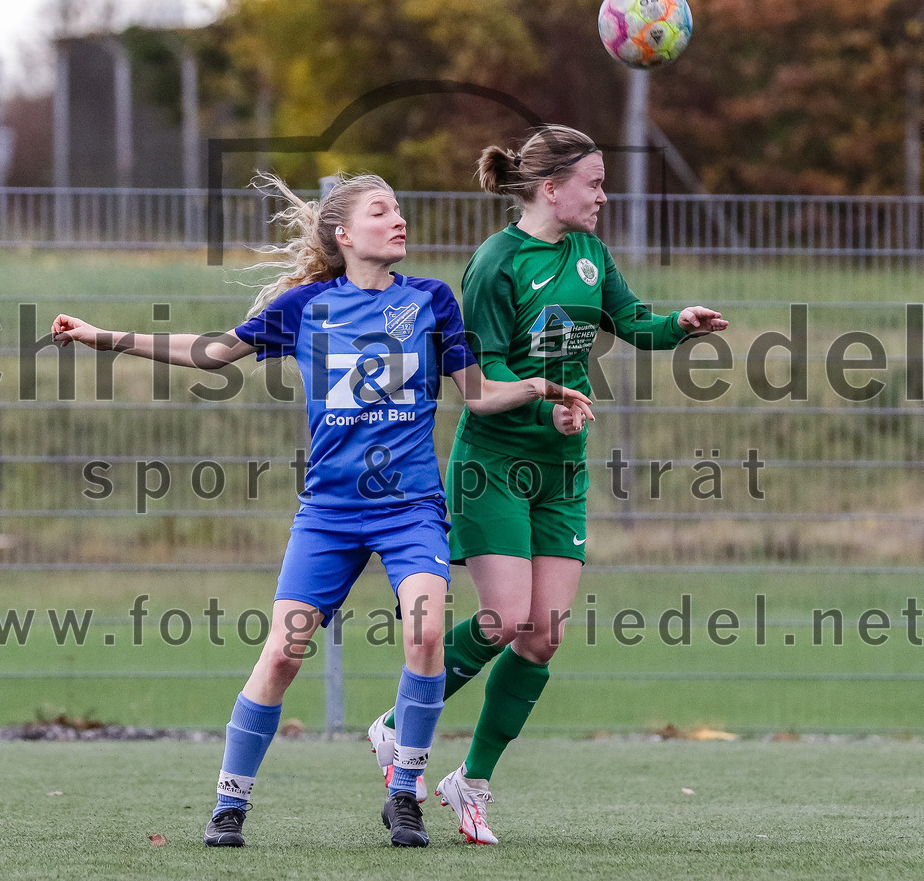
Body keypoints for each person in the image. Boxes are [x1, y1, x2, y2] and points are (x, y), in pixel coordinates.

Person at [51, 173, 592, 850]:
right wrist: (109, 338)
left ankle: (403, 794)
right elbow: (214, 352)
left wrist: (542, 387)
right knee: (283, 652)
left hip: (410, 508)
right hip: (330, 512)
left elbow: (477, 395)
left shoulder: (430, 300)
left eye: (398, 207)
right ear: (343, 234)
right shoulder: (306, 305)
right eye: (380, 210)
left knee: (425, 636)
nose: (398, 219)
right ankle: (229, 802)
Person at [368, 126, 729, 844]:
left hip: (560, 467)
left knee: (542, 637)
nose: (603, 195)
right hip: (493, 464)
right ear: (550, 187)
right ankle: (396, 724)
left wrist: (676, 325)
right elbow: (485, 377)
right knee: (502, 620)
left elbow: (627, 321)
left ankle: (469, 782)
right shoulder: (495, 264)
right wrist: (549, 400)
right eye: (593, 183)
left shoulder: (590, 255)